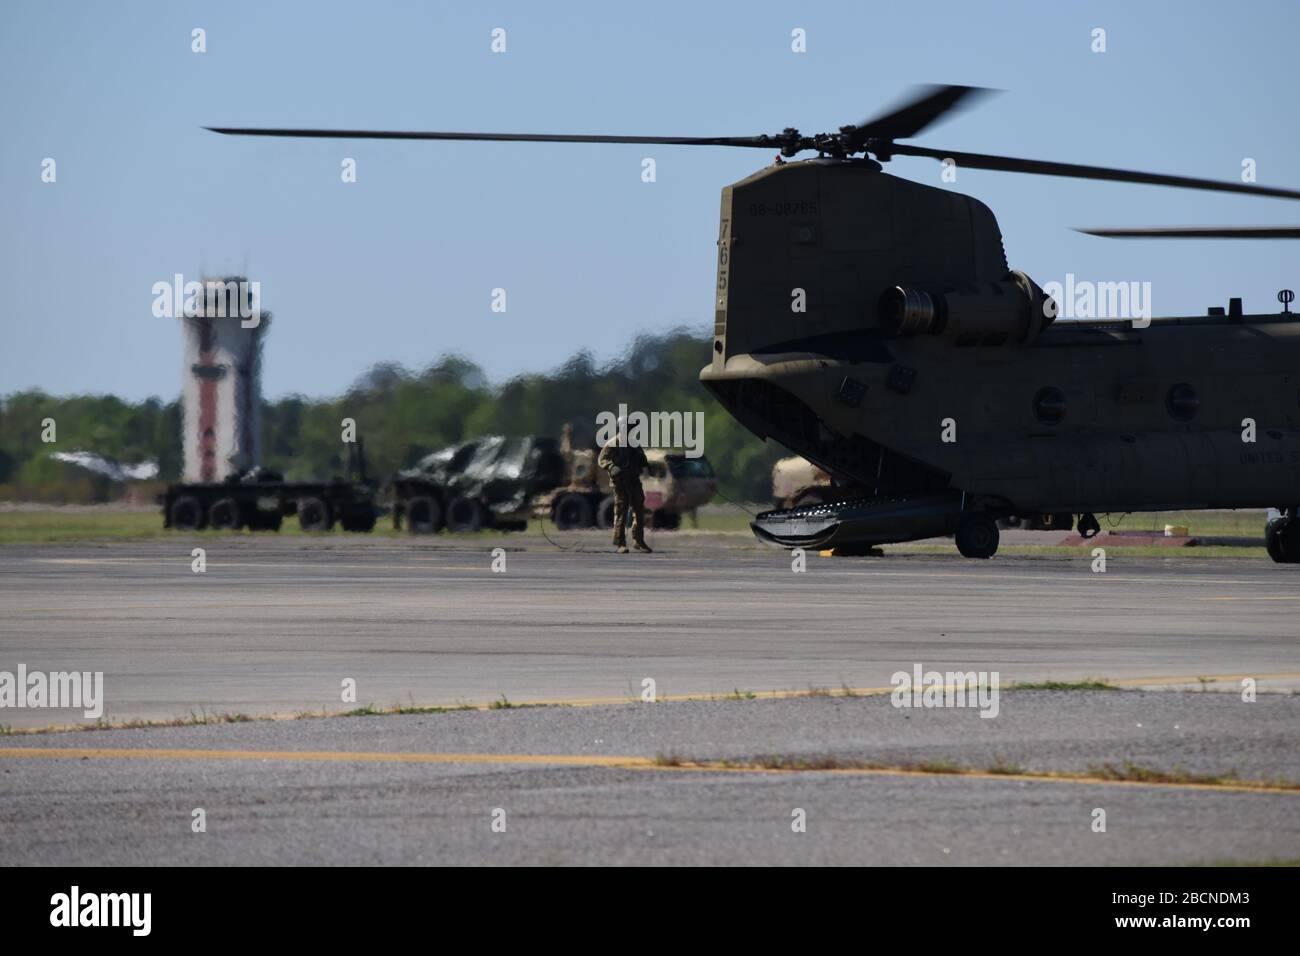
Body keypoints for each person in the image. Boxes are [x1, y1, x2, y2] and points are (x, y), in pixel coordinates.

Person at [598, 427, 652, 553]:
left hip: (634, 480)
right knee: (621, 510)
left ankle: (638, 540)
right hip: (621, 482)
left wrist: (646, 465)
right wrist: (611, 466)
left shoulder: (633, 443)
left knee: (639, 509)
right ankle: (620, 542)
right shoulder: (613, 443)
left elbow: (641, 457)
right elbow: (602, 459)